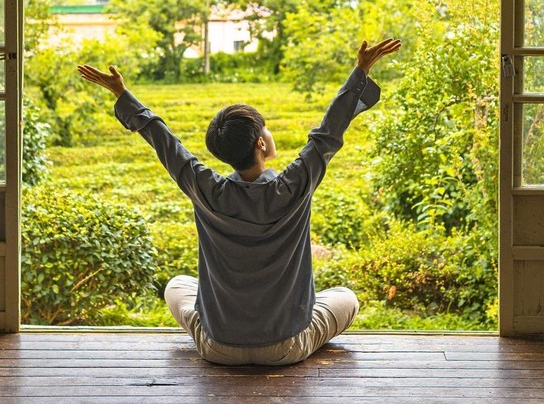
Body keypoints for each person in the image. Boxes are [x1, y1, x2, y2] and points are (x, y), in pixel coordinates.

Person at [77, 37, 401, 366]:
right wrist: (360, 70)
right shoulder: (293, 186)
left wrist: (122, 93)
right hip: (286, 347)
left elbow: (166, 142)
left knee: (177, 286)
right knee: (346, 298)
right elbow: (328, 133)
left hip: (217, 346)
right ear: (260, 143)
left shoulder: (205, 188)